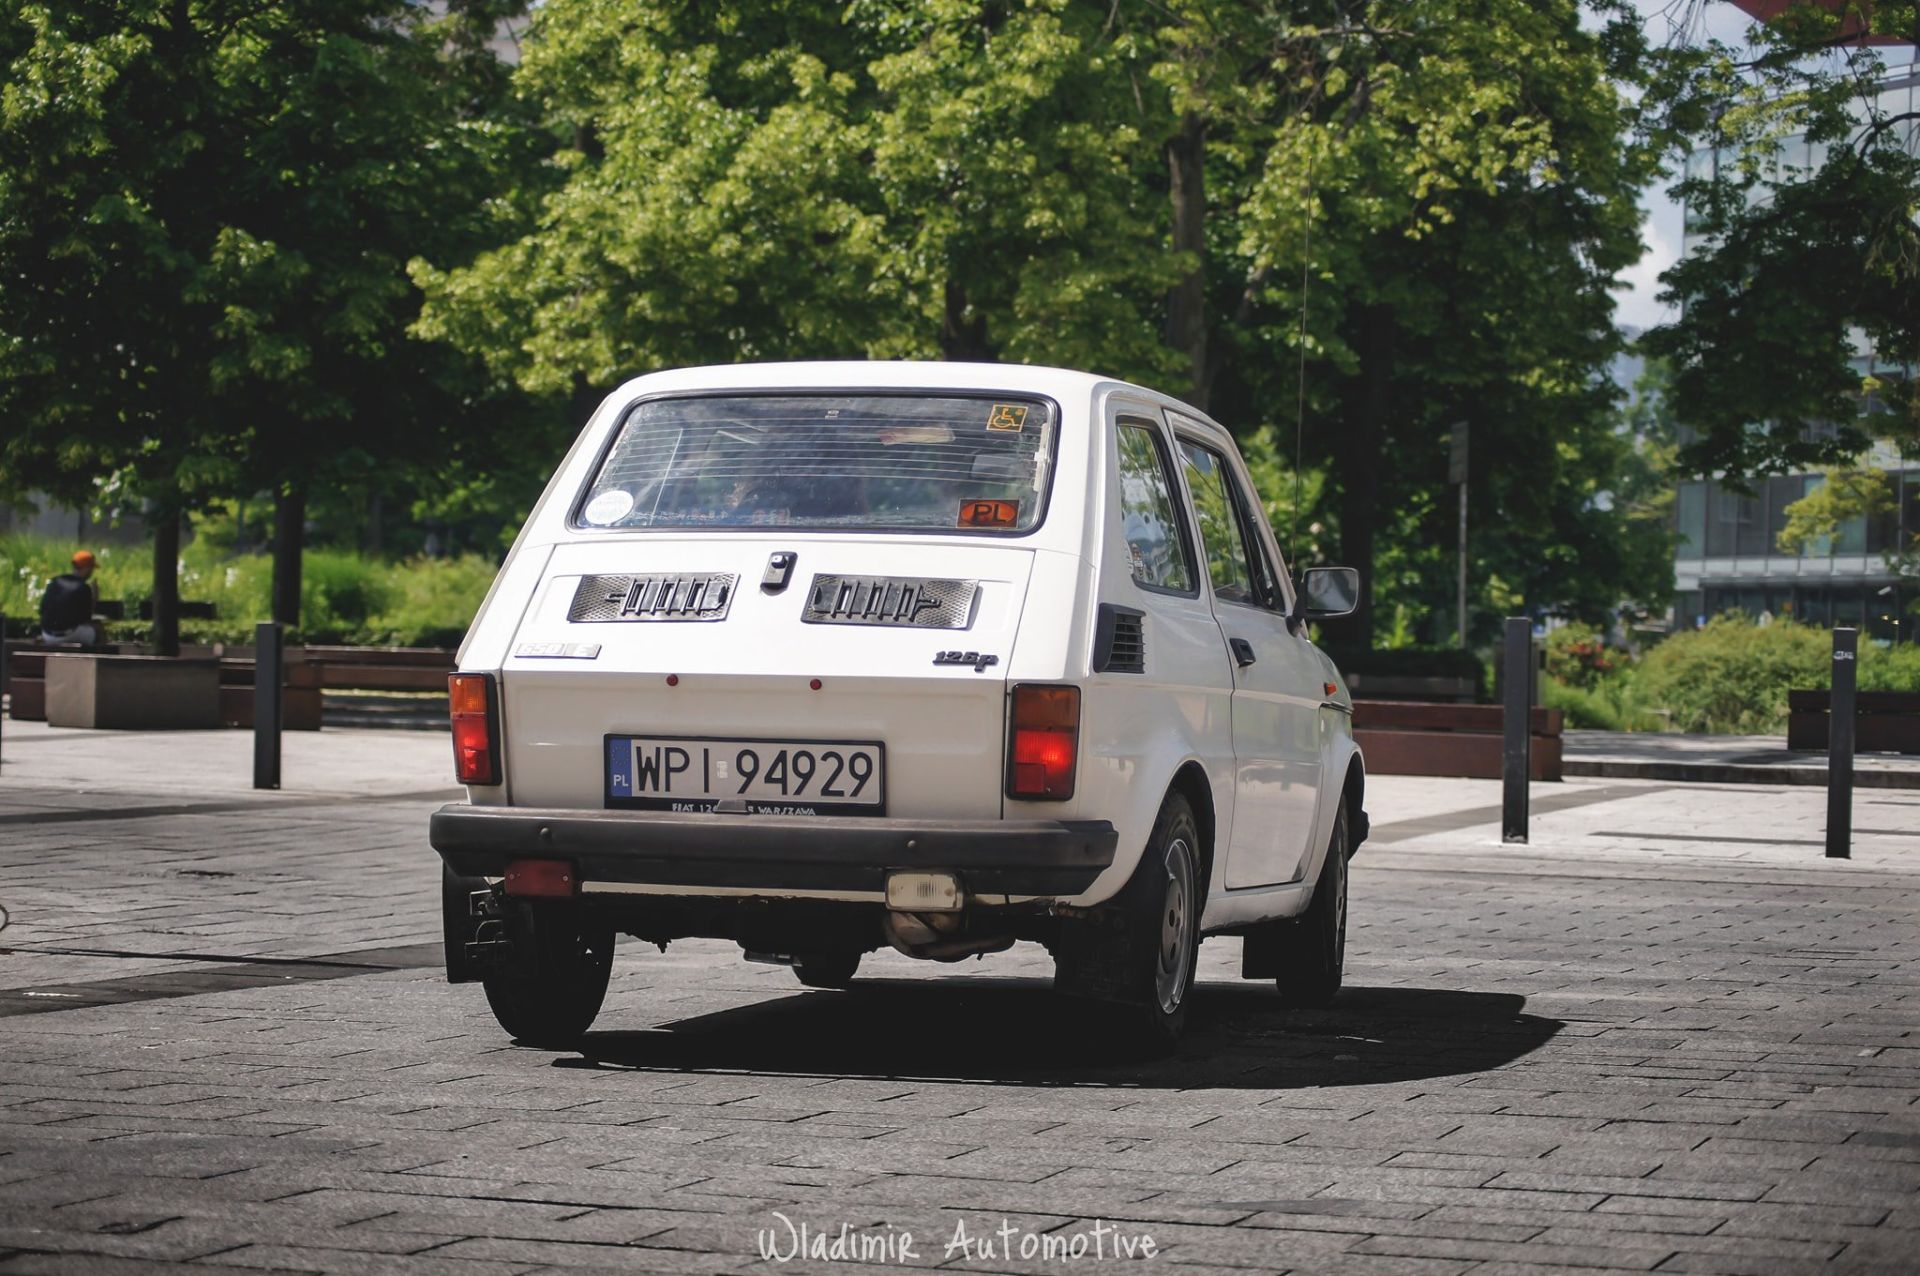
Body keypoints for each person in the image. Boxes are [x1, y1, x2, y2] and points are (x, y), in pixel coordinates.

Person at [39, 550, 100, 647]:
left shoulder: (55, 581)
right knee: (98, 630)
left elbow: (41, 610)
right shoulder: (83, 587)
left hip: (47, 635)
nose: (92, 572)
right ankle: (102, 661)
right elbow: (86, 618)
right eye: (92, 568)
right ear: (87, 568)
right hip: (70, 636)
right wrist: (95, 597)